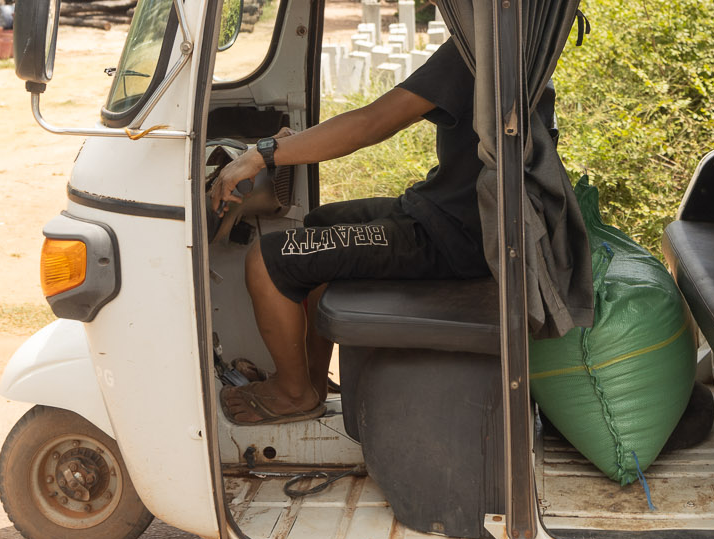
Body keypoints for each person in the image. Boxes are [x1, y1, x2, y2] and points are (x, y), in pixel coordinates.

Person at [209, 38, 536, 425]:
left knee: (267, 259)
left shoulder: (475, 47)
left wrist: (263, 154)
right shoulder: (498, 42)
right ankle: (311, 380)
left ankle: (292, 394)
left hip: (450, 238)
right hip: (451, 215)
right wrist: (286, 146)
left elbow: (373, 122)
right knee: (321, 221)